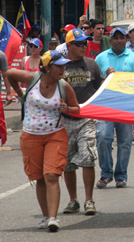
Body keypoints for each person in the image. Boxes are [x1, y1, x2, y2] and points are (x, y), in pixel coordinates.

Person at [5, 50, 79, 232]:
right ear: (47, 67)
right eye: (58, 66)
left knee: (51, 175)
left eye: (64, 65)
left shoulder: (64, 86)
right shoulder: (32, 79)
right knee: (39, 178)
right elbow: (8, 73)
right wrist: (18, 93)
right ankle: (46, 216)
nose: (63, 69)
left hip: (56, 135)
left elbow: (77, 108)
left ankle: (54, 218)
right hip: (31, 136)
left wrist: (67, 108)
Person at [59, 29, 104, 216]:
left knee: (87, 158)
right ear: (69, 46)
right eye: (79, 44)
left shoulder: (91, 64)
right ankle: (73, 200)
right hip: (65, 120)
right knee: (67, 163)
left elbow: (102, 88)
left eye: (85, 43)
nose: (83, 46)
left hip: (87, 119)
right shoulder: (60, 66)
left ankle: (89, 200)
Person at [95, 28, 134, 189]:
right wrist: (106, 78)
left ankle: (121, 175)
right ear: (110, 40)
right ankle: (106, 173)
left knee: (125, 142)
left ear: (126, 39)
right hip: (105, 106)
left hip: (126, 106)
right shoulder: (101, 58)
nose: (119, 41)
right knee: (103, 138)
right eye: (115, 38)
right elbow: (94, 82)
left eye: (121, 37)